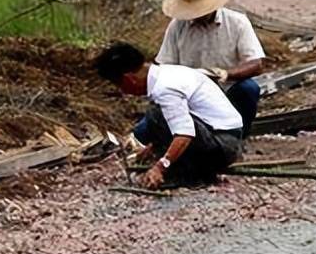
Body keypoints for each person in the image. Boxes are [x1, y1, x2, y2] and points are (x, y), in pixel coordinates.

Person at [94, 42, 243, 188]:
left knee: (156, 114)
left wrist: (160, 167)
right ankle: (184, 167)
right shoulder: (165, 73)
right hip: (223, 137)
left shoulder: (165, 89)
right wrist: (154, 147)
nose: (123, 91)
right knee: (156, 114)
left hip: (222, 146)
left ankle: (192, 174)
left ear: (128, 79)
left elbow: (184, 134)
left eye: (120, 85)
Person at [153, 0, 266, 137]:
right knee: (149, 123)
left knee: (248, 89)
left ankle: (239, 138)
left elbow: (257, 64)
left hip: (228, 91)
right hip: (191, 96)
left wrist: (226, 74)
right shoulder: (177, 27)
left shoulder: (237, 22)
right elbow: (165, 66)